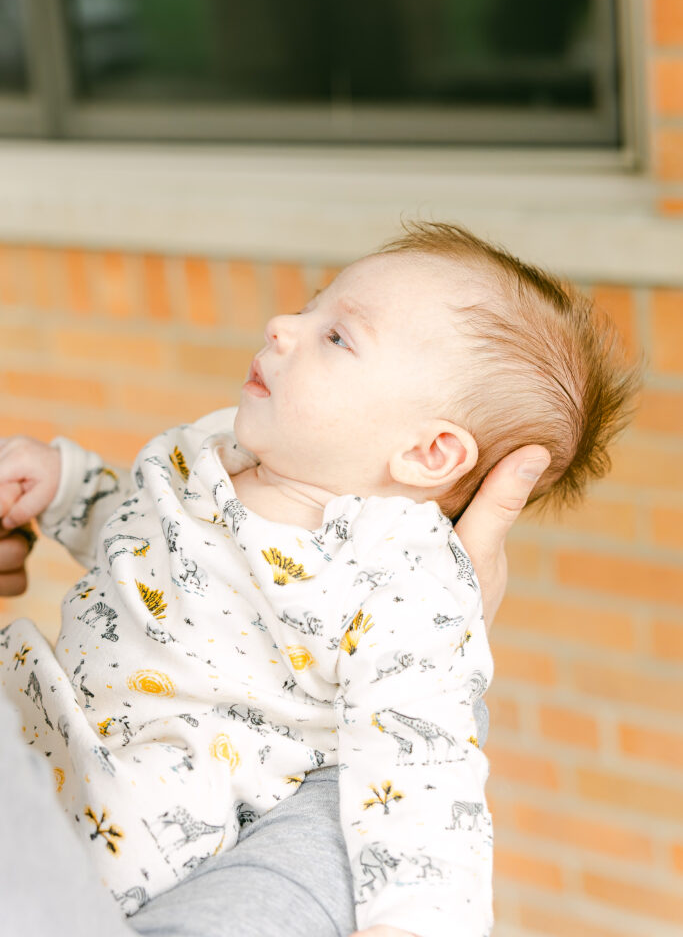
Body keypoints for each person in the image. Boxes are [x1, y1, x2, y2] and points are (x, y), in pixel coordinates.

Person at [0, 222, 639, 937]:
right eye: (310, 307)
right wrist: (68, 487)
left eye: (337, 337)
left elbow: (421, 762)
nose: (281, 326)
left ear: (429, 452)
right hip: (32, 714)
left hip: (123, 816)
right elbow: (146, 547)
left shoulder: (399, 581)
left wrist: (414, 923)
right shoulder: (223, 449)